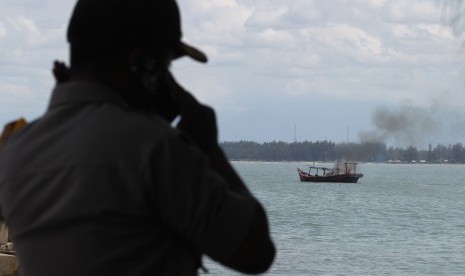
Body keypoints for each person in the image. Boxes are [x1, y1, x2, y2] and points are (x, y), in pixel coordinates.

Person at [0, 0, 275, 275]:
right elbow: (256, 253)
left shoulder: (14, 151)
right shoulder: (155, 147)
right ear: (143, 64)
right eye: (166, 66)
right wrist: (208, 148)